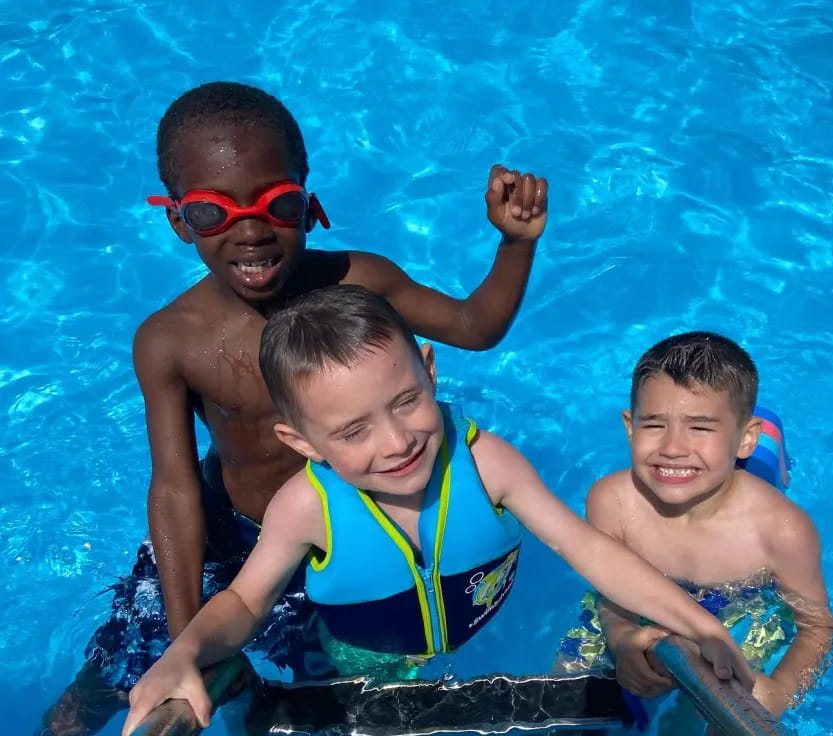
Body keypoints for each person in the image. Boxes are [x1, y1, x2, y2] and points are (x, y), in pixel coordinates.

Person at [40, 80, 550, 736]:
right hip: (232, 539)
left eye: (276, 204)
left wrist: (516, 243)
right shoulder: (171, 340)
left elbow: (474, 327)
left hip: (341, 536)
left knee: (334, 702)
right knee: (118, 677)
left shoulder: (360, 282)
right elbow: (172, 491)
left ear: (310, 205)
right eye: (210, 213)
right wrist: (186, 633)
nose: (249, 231)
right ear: (176, 220)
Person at [119, 286, 756, 735]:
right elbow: (245, 603)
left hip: (486, 632)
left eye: (405, 402)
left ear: (429, 370)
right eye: (352, 432)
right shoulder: (305, 507)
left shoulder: (487, 465)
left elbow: (588, 549)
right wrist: (183, 652)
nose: (395, 442)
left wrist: (697, 625)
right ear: (302, 443)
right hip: (365, 664)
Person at [555, 331, 833, 731]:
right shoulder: (611, 502)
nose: (673, 448)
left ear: (745, 440)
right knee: (565, 704)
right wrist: (620, 638)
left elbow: (817, 626)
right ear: (630, 427)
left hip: (741, 609)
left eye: (700, 428)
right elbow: (610, 590)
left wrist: (780, 691)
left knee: (698, 724)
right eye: (654, 425)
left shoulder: (781, 531)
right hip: (633, 604)